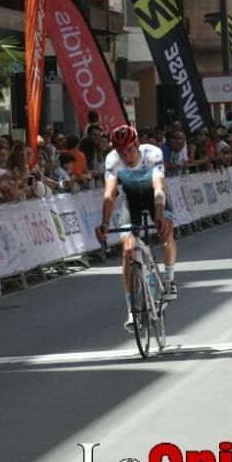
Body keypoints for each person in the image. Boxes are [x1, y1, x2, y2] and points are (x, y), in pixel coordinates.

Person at [95, 126, 179, 333]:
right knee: (127, 250)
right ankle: (132, 309)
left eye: (130, 150)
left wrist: (159, 217)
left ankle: (169, 279)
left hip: (154, 198)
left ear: (137, 145)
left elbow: (159, 189)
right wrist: (105, 223)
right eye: (121, 152)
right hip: (131, 201)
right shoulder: (112, 160)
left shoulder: (153, 154)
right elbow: (109, 194)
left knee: (166, 232)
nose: (126, 156)